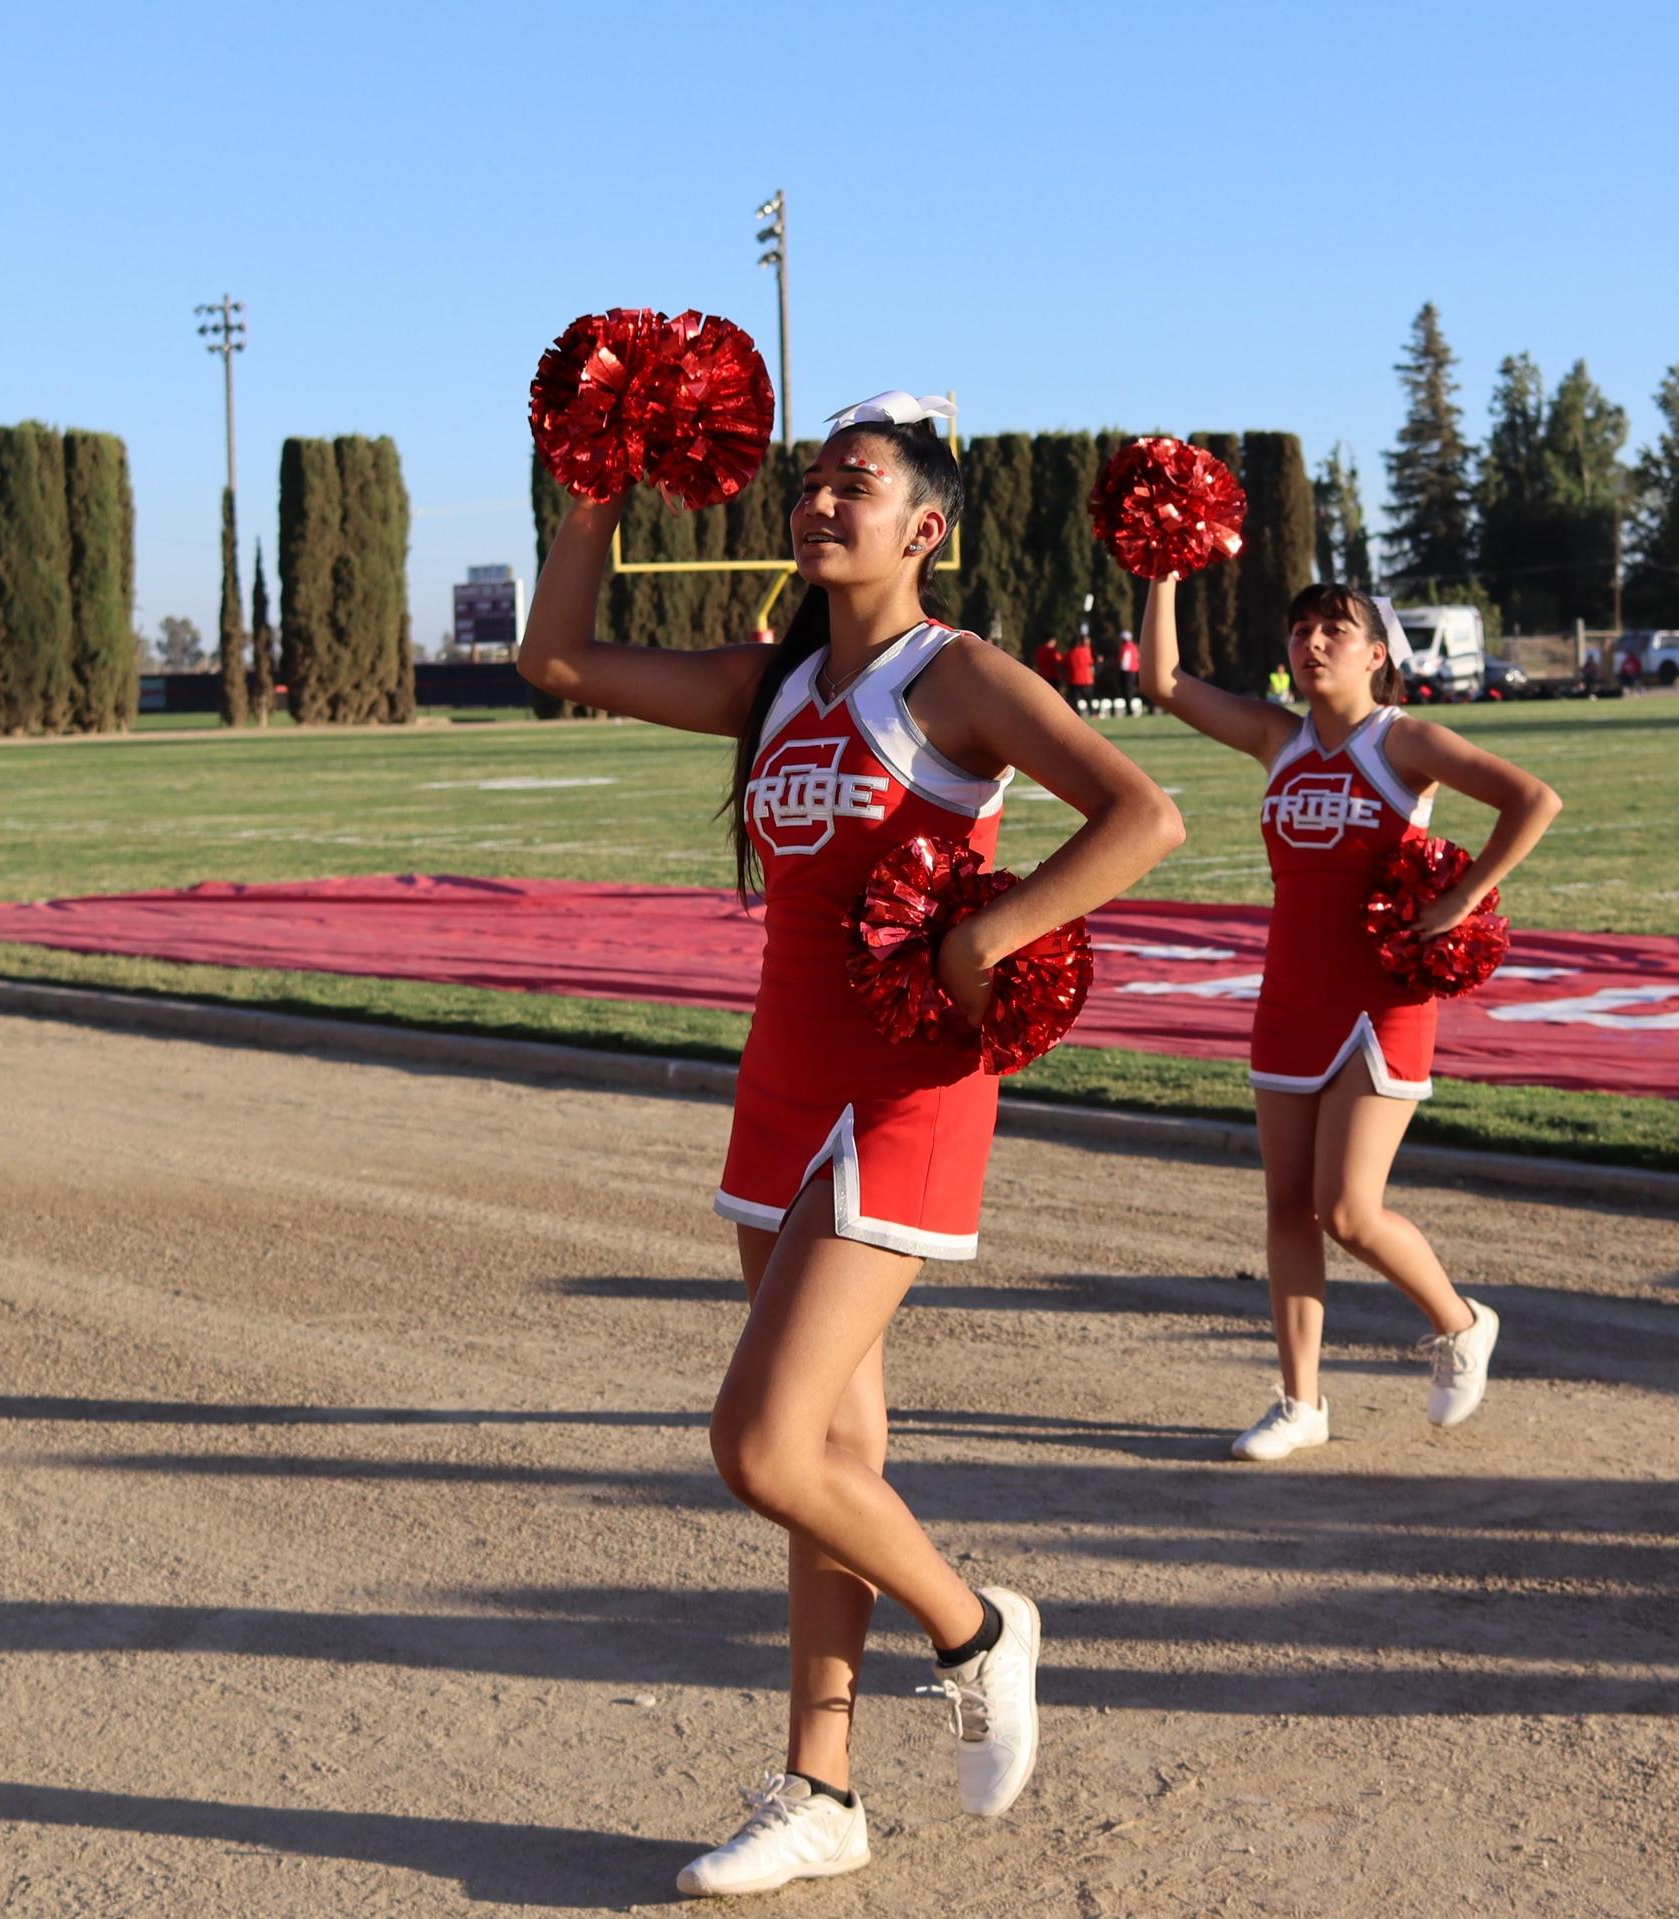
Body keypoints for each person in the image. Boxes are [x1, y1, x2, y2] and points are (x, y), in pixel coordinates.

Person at [521, 390, 1184, 1897]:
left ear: (925, 527)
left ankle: (979, 1628)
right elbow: (555, 657)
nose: (820, 501)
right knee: (831, 1452)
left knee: (758, 1442)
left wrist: (993, 931)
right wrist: (597, 488)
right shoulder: (776, 681)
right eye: (812, 482)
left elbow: (1142, 813)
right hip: (782, 1087)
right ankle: (823, 1789)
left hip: (909, 1093)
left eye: (856, 484)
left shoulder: (956, 676)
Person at [1134, 578, 1560, 1462]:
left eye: (1335, 629)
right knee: (1288, 1206)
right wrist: (1164, 572)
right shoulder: (1275, 738)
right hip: (1288, 999)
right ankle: (1300, 1403)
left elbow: (1533, 800)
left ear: (1378, 655)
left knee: (1347, 1208)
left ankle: (1461, 1320)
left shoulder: (1402, 741)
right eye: (1299, 629)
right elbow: (1164, 682)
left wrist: (1464, 896)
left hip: (1382, 1006)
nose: (1312, 642)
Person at [1064, 629, 1097, 713]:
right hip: (1086, 679)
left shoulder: (1070, 653)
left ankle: (1077, 714)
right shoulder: (1086, 651)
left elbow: (1066, 666)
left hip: (1074, 679)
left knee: (1075, 700)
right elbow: (1091, 666)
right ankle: (1092, 713)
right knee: (1089, 699)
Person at [1116, 628, 1141, 714]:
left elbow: (1124, 662)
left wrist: (1121, 671)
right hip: (1134, 671)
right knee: (1129, 690)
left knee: (1127, 691)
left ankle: (1129, 709)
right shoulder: (1134, 646)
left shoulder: (1125, 647)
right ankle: (1129, 709)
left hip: (1127, 672)